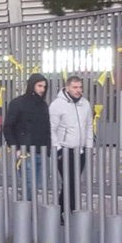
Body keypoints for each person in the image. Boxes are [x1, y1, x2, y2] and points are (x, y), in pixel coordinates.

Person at [48, 75, 93, 217]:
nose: (78, 90)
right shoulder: (57, 105)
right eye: (75, 87)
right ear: (67, 88)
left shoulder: (85, 104)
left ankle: (67, 211)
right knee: (69, 182)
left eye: (80, 87)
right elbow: (51, 128)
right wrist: (58, 149)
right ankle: (66, 211)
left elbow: (89, 126)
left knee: (74, 183)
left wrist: (88, 147)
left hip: (80, 151)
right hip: (64, 150)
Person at [2, 73, 51, 200]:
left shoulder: (43, 105)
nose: (42, 89)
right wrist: (16, 148)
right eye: (39, 86)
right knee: (29, 185)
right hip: (25, 152)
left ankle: (28, 210)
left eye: (44, 87)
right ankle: (27, 211)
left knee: (36, 186)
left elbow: (46, 129)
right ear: (31, 85)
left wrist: (48, 149)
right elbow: (8, 127)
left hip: (41, 151)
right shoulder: (18, 103)